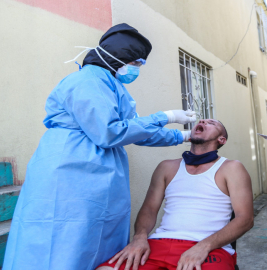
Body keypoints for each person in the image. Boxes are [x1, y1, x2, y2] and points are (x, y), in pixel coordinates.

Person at [3, 23, 197, 270]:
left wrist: (183, 137)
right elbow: (109, 132)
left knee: (93, 238)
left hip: (96, 174)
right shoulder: (88, 81)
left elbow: (133, 130)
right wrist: (164, 116)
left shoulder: (112, 84)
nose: (137, 69)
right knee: (64, 240)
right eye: (136, 63)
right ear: (119, 58)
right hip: (70, 171)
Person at [96, 119, 254, 270]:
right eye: (201, 121)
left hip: (209, 247)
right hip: (159, 244)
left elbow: (245, 219)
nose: (203, 122)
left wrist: (204, 246)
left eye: (211, 123)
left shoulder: (231, 168)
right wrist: (139, 237)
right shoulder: (166, 167)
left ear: (222, 139)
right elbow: (149, 209)